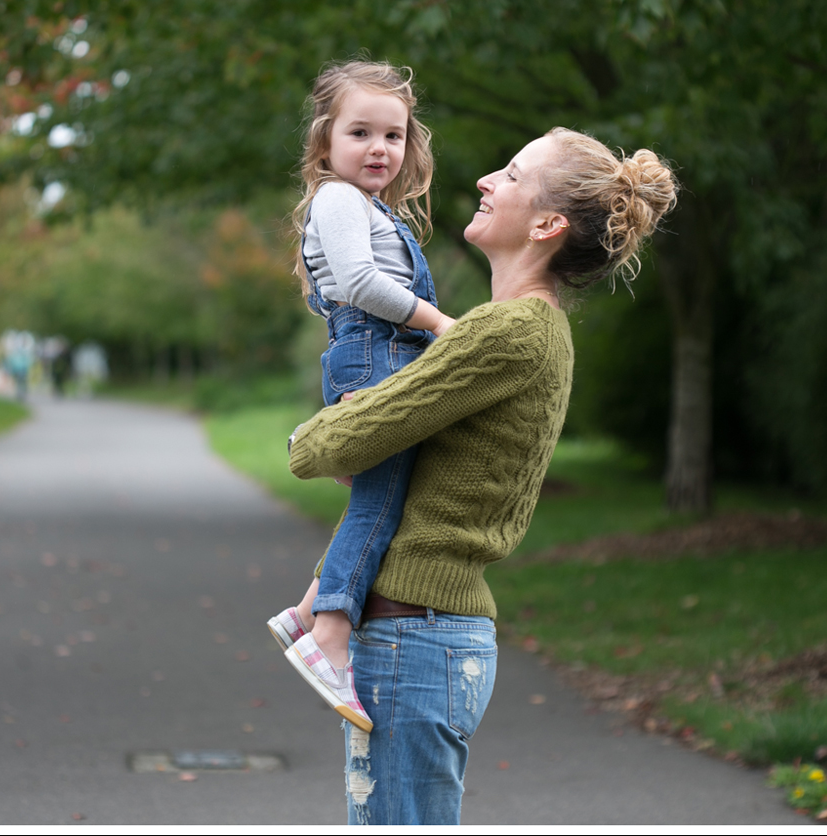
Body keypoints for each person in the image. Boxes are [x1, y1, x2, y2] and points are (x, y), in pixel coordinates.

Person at [286, 126, 678, 825]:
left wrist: (315, 432)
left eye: (512, 174)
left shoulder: (507, 331)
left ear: (547, 223)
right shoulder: (529, 328)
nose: (486, 181)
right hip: (422, 639)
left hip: (415, 641)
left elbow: (334, 446)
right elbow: (403, 447)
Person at [267, 60, 455, 732]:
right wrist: (443, 327)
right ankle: (330, 635)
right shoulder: (339, 199)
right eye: (360, 133)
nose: (380, 148)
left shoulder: (371, 207)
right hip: (376, 355)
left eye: (394, 136)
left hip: (383, 356)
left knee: (385, 498)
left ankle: (308, 607)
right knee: (379, 503)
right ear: (324, 142)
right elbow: (358, 285)